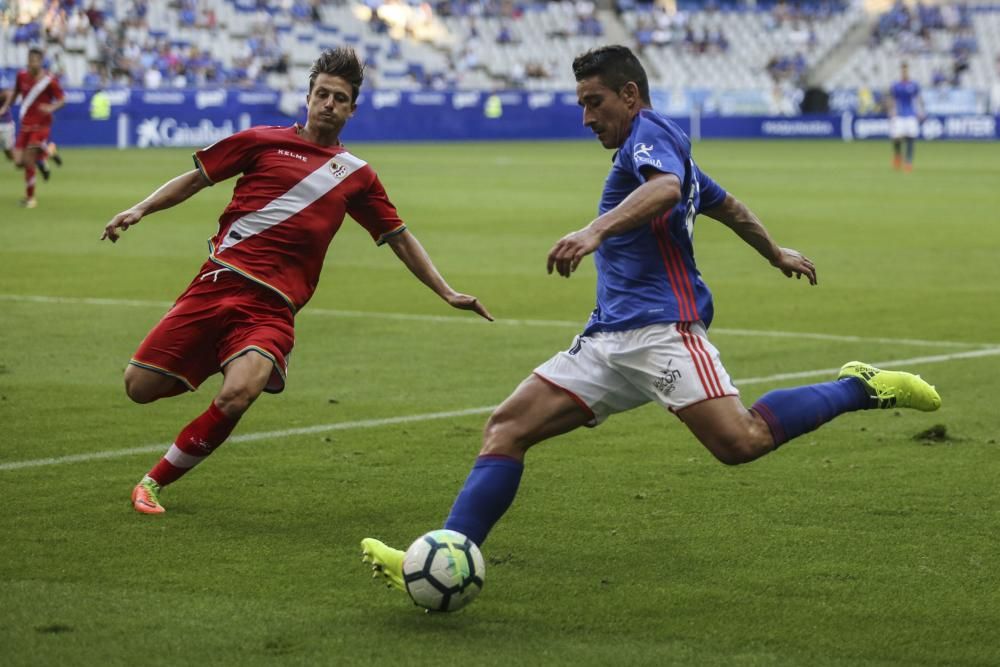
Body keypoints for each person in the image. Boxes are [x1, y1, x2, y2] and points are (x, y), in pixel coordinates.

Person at [360, 45, 941, 595]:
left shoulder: (652, 137)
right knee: (507, 428)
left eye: (595, 102)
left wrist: (593, 230)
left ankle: (858, 388)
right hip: (608, 340)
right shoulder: (655, 152)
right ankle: (443, 552)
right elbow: (725, 204)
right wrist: (775, 252)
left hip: (664, 331)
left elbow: (666, 190)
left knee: (741, 441)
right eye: (581, 103)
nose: (586, 116)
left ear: (630, 95)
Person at [101, 47, 493, 515]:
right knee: (139, 387)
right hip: (218, 283)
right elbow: (195, 180)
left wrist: (445, 290)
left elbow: (399, 236)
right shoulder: (260, 141)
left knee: (240, 393)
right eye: (322, 94)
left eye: (339, 98)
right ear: (307, 97)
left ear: (351, 109)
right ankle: (211, 356)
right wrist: (140, 208)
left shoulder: (357, 176)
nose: (329, 103)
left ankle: (152, 483)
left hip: (272, 310)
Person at [0, 47, 65, 207]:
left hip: (42, 124)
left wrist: (51, 108)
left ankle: (30, 199)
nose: (33, 63)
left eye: (36, 60)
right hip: (25, 124)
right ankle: (47, 152)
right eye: (31, 60)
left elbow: (62, 99)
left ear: (41, 62)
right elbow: (15, 92)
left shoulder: (49, 80)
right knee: (18, 162)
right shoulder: (21, 76)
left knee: (29, 161)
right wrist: (5, 107)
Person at [888, 62, 924, 172]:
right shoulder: (896, 85)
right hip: (899, 114)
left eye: (906, 70)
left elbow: (918, 98)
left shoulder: (914, 85)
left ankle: (908, 162)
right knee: (896, 137)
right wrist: (892, 110)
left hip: (911, 115)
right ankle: (898, 155)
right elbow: (893, 99)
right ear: (900, 72)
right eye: (903, 70)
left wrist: (920, 111)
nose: (904, 72)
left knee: (910, 138)